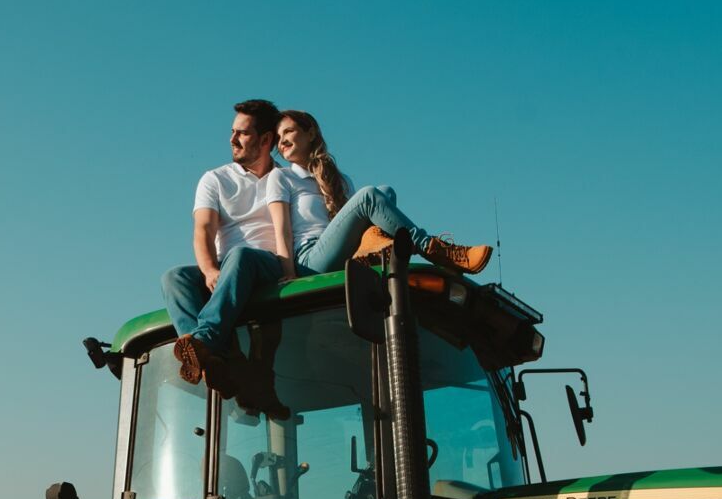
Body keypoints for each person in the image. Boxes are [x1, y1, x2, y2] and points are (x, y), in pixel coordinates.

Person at [160, 99, 303, 394]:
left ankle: (206, 340)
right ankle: (215, 358)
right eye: (232, 132)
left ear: (265, 140)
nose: (232, 139)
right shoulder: (215, 179)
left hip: (267, 262)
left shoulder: (287, 178)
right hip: (227, 267)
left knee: (241, 256)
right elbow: (203, 229)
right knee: (174, 278)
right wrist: (210, 269)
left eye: (242, 133)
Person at [274, 109, 493, 275]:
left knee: (385, 192)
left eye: (288, 131)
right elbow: (282, 231)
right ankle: (434, 249)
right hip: (310, 259)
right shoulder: (282, 176)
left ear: (310, 133)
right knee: (369, 196)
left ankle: (371, 250)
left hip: (346, 252)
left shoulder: (340, 180)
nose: (281, 141)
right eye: (278, 137)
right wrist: (288, 274)